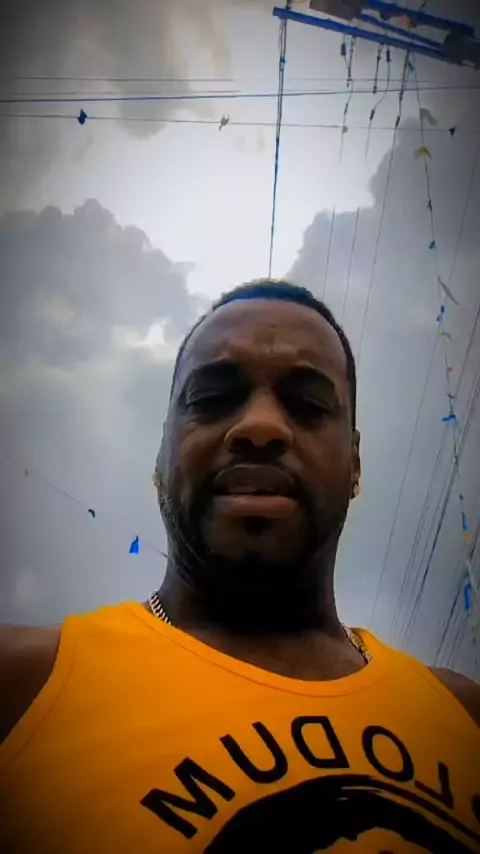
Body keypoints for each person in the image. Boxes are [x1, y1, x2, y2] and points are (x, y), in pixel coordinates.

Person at [1, 279, 479, 854]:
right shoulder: (22, 685)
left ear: (355, 463)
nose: (261, 426)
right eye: (211, 399)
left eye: (309, 405)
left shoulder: (464, 717)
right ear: (161, 455)